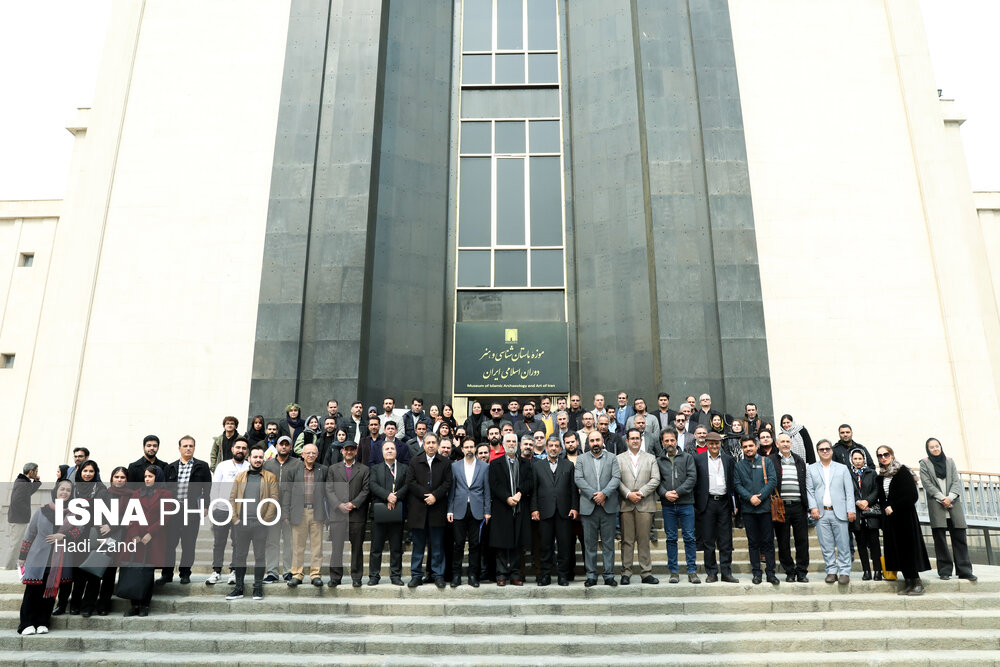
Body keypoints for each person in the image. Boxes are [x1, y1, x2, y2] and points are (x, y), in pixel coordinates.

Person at [17, 478, 81, 634]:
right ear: (56, 491)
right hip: (38, 557)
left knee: (50, 590)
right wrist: (22, 556)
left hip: (59, 559)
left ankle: (43, 622)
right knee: (33, 591)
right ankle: (26, 624)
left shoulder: (75, 513)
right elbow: (30, 534)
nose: (64, 492)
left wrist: (63, 536)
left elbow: (79, 531)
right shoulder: (42, 510)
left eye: (68, 490)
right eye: (62, 489)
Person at [919, 438, 976, 581]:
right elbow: (926, 483)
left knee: (960, 538)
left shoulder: (949, 461)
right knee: (940, 540)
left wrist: (950, 497)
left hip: (953, 503)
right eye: (931, 447)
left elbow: (956, 481)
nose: (935, 449)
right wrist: (942, 498)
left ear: (941, 446)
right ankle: (944, 570)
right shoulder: (924, 463)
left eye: (937, 446)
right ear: (928, 449)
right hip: (937, 504)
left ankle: (964, 571)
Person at [876, 446, 931, 595]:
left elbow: (912, 495)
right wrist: (886, 507)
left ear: (892, 455)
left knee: (909, 550)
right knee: (898, 551)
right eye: (880, 456)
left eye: (886, 454)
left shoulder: (902, 471)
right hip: (890, 519)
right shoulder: (881, 476)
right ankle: (908, 583)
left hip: (905, 517)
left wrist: (893, 506)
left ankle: (917, 583)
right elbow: (882, 497)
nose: (883, 458)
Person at [227, 447, 279, 601]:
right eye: (255, 457)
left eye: (260, 457)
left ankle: (257, 588)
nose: (257, 459)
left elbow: (274, 500)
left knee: (260, 556)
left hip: (259, 524)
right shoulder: (240, 477)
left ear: (264, 459)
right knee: (240, 556)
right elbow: (232, 498)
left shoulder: (270, 477)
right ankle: (239, 588)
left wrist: (265, 520)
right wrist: (235, 519)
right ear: (249, 458)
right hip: (241, 524)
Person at [159, 435, 212, 585]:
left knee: (189, 544)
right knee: (169, 544)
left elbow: (207, 489)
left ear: (194, 448)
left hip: (192, 510)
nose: (188, 448)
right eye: (185, 446)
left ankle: (185, 573)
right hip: (173, 510)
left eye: (191, 446)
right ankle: (167, 574)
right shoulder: (170, 467)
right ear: (179, 448)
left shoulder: (202, 466)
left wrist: (205, 506)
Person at [404, 433, 452, 588]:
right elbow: (410, 482)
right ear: (423, 445)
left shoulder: (445, 462)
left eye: (433, 442)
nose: (431, 445)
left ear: (437, 445)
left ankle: (438, 575)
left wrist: (435, 496)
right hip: (418, 510)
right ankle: (416, 575)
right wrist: (426, 495)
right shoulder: (415, 461)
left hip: (437, 509)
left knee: (437, 546)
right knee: (418, 546)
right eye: (428, 443)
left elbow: (447, 482)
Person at [530, 436, 579, 587]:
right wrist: (534, 509)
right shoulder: (537, 466)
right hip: (544, 512)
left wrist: (574, 507)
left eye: (556, 446)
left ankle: (563, 576)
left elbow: (573, 489)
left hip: (564, 512)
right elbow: (534, 490)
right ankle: (545, 576)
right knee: (545, 545)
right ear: (546, 448)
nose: (553, 448)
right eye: (550, 446)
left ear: (560, 448)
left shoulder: (568, 465)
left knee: (564, 545)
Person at [575, 430, 621, 587]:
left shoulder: (612, 458)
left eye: (597, 440)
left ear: (603, 442)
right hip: (589, 507)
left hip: (608, 506)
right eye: (592, 440)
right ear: (588, 443)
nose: (595, 443)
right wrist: (595, 496)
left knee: (608, 543)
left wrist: (604, 494)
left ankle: (609, 574)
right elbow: (578, 479)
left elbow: (616, 478)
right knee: (589, 543)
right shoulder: (581, 459)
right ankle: (591, 575)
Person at [806, 439, 855, 584]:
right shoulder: (811, 469)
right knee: (826, 544)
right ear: (818, 451)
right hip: (821, 513)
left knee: (844, 544)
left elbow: (849, 491)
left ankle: (845, 571)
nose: (825, 451)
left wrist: (851, 509)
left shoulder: (842, 468)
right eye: (822, 449)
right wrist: (813, 507)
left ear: (832, 450)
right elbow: (810, 490)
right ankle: (831, 571)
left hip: (839, 511)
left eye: (827, 448)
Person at [124, 466, 170, 616]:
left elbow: (165, 517)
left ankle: (145, 605)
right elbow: (130, 516)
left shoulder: (166, 494)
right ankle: (134, 605)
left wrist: (151, 533)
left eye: (150, 476)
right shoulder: (137, 493)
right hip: (136, 539)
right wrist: (135, 535)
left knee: (147, 573)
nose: (147, 479)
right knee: (134, 570)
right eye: (145, 476)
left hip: (154, 538)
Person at [656, 427, 699, 584]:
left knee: (689, 537)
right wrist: (665, 494)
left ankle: (692, 571)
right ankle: (674, 571)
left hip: (686, 503)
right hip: (668, 505)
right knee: (671, 538)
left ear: (676, 441)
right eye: (666, 440)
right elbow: (656, 481)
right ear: (662, 442)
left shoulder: (687, 457)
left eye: (672, 440)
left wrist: (677, 492)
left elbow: (692, 478)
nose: (669, 443)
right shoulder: (658, 461)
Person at [694, 431, 738, 583]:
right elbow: (695, 482)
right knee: (708, 540)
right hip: (707, 503)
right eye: (711, 443)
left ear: (720, 444)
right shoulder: (698, 459)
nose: (714, 446)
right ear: (706, 444)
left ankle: (726, 572)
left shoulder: (728, 459)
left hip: (724, 503)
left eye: (717, 443)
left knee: (726, 541)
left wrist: (734, 505)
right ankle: (711, 572)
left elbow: (733, 483)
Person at [617, 429, 660, 585]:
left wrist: (640, 493)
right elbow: (617, 480)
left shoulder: (650, 458)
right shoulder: (619, 459)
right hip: (626, 504)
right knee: (627, 540)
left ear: (641, 440)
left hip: (645, 503)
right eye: (632, 438)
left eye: (637, 438)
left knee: (644, 540)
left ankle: (646, 573)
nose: (635, 440)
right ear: (627, 441)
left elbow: (656, 479)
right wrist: (628, 494)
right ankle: (626, 573)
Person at [734, 436, 779, 585]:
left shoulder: (766, 462)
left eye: (750, 446)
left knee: (768, 542)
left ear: (756, 446)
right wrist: (750, 497)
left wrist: (760, 496)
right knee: (753, 543)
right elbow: (737, 484)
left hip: (765, 509)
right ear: (742, 448)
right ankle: (756, 573)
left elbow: (773, 480)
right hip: (748, 510)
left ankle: (771, 573)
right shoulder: (739, 466)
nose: (748, 449)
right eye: (745, 447)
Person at [489, 433, 532, 586]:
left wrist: (519, 493)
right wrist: (507, 497)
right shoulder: (495, 463)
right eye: (509, 441)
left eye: (514, 441)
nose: (512, 444)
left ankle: (515, 575)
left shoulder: (525, 463)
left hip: (520, 507)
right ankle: (501, 575)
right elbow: (494, 484)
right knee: (501, 543)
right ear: (503, 443)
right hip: (502, 507)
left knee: (517, 543)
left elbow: (529, 481)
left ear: (518, 444)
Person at [86, 466, 130, 616]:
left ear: (126, 480)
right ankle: (88, 605)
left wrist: (112, 526)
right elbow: (95, 515)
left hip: (118, 537)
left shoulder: (130, 496)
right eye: (116, 477)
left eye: (122, 477)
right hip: (101, 536)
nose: (119, 480)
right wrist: (101, 534)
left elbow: (131, 516)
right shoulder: (103, 493)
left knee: (110, 573)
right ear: (112, 478)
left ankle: (104, 605)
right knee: (95, 572)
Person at [447, 437, 491, 587]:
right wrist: (449, 510)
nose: (470, 449)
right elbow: (452, 490)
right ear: (463, 449)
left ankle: (473, 575)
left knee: (475, 545)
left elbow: (487, 491)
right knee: (458, 544)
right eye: (467, 447)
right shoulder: (455, 466)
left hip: (477, 510)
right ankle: (456, 576)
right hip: (459, 510)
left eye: (472, 447)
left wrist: (487, 511)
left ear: (475, 449)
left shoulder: (484, 467)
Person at [67, 460, 110, 615]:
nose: (87, 474)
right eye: (85, 471)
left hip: (94, 535)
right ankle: (75, 604)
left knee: (92, 572)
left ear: (95, 473)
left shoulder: (101, 490)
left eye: (91, 471)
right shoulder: (74, 489)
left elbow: (108, 512)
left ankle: (88, 606)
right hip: (76, 535)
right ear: (80, 472)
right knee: (78, 572)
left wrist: (107, 526)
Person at [282, 443, 327, 587]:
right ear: (302, 454)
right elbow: (287, 492)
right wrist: (286, 512)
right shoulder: (293, 470)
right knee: (297, 546)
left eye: (313, 453)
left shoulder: (323, 470)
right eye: (308, 453)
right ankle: (297, 574)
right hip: (298, 512)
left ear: (317, 455)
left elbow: (328, 492)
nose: (311, 455)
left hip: (316, 512)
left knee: (317, 546)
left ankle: (315, 574)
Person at [326, 441, 370, 587]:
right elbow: (329, 489)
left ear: (356, 451)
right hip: (338, 515)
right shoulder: (333, 469)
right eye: (347, 450)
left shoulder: (364, 469)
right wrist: (339, 505)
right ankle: (335, 577)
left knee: (357, 548)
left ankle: (356, 577)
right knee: (337, 548)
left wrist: (353, 504)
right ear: (342, 451)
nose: (349, 452)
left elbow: (365, 490)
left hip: (356, 515)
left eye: (352, 449)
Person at [206, 438, 249, 586]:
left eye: (244, 448)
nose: (240, 450)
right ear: (232, 449)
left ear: (247, 451)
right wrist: (214, 507)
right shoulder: (222, 466)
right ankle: (216, 571)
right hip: (222, 509)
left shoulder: (249, 466)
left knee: (238, 542)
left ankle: (234, 571)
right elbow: (215, 488)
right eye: (238, 447)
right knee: (219, 542)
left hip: (241, 511)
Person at [771, 433, 810, 582]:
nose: (786, 444)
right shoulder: (771, 460)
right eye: (783, 442)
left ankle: (801, 571)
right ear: (777, 444)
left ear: (791, 444)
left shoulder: (799, 460)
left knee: (802, 540)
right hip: (781, 507)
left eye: (788, 441)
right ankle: (789, 571)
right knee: (783, 540)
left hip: (799, 506)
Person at [369, 441, 407, 586]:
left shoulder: (404, 468)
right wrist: (387, 496)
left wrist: (396, 497)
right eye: (387, 449)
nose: (390, 451)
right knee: (376, 547)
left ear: (396, 451)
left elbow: (408, 485)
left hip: (397, 511)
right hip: (380, 511)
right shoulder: (375, 468)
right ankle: (374, 576)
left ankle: (396, 575)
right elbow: (372, 485)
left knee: (396, 547)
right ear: (382, 452)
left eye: (392, 448)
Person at [262, 436, 296, 583]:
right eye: (281, 444)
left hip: (290, 510)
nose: (283, 447)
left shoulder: (297, 464)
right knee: (271, 541)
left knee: (289, 542)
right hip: (272, 509)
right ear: (276, 446)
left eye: (286, 445)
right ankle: (272, 572)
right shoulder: (267, 465)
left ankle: (288, 571)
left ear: (291, 447)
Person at [849, 448, 883, 581]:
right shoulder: (848, 474)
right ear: (852, 459)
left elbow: (876, 490)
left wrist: (867, 501)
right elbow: (848, 490)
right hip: (856, 513)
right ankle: (866, 571)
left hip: (870, 511)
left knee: (874, 544)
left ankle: (878, 570)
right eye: (855, 459)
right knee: (861, 544)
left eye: (860, 458)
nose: (857, 461)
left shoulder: (872, 473)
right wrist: (857, 502)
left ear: (864, 459)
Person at [5, 462, 42, 569]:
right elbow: (17, 501)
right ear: (31, 471)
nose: (36, 473)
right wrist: (26, 512)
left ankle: (11, 568)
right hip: (18, 519)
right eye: (36, 471)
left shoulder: (23, 482)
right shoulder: (22, 483)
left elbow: (28, 492)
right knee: (15, 545)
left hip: (17, 518)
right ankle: (9, 568)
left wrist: (36, 482)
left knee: (16, 544)